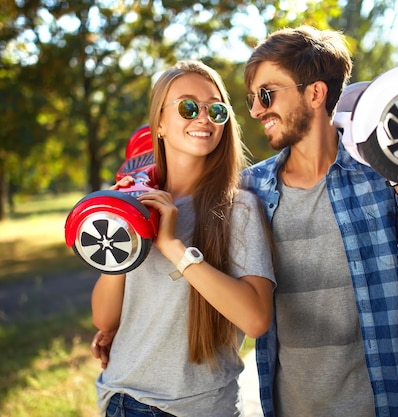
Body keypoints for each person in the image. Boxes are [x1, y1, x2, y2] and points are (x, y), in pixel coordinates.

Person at [240, 25, 398, 417]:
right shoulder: (249, 191)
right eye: (252, 98)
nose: (256, 109)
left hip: (391, 404)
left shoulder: (380, 174)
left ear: (315, 93)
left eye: (267, 93)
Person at [90, 59, 276, 417]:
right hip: (123, 400)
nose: (203, 118)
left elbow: (255, 320)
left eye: (215, 109)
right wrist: (122, 226)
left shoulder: (239, 209)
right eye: (189, 107)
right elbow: (105, 319)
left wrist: (174, 248)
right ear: (159, 122)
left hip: (199, 408)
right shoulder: (133, 204)